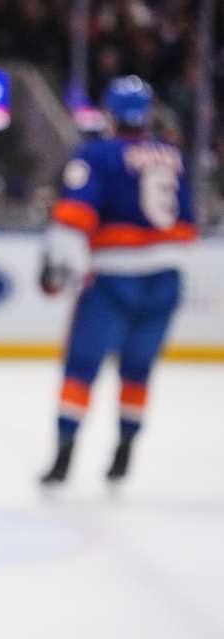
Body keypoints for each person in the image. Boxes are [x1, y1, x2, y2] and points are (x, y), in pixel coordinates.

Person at [38, 75, 196, 488]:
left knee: (82, 366)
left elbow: (74, 218)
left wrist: (58, 264)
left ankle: (63, 457)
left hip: (112, 278)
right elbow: (188, 223)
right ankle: (124, 455)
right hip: (166, 278)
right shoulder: (174, 156)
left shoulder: (97, 154)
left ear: (110, 113)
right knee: (138, 369)